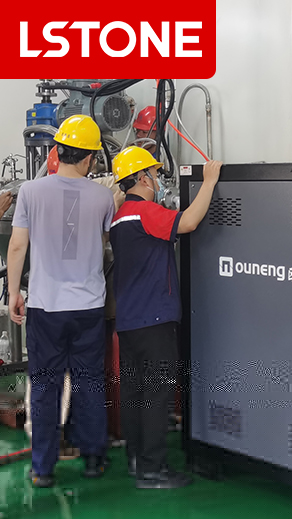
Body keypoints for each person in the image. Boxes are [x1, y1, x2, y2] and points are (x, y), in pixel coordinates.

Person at [7, 115, 115, 488]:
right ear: (89, 158)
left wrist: (15, 293)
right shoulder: (103, 196)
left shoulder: (31, 192)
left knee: (45, 385)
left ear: (56, 151)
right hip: (88, 307)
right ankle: (93, 459)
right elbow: (103, 242)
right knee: (89, 381)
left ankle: (43, 468)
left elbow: (17, 245)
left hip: (45, 306)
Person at [110, 146, 221, 489]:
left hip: (129, 321)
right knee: (156, 394)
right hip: (154, 320)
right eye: (156, 174)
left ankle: (136, 458)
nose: (158, 180)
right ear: (143, 178)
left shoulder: (119, 217)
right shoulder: (145, 212)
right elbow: (188, 222)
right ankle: (153, 468)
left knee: (134, 392)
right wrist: (209, 181)